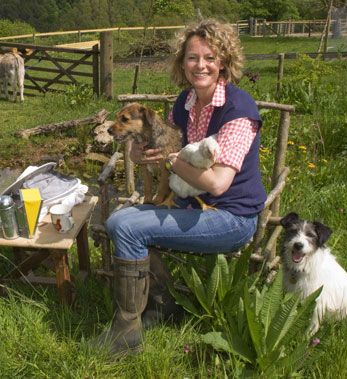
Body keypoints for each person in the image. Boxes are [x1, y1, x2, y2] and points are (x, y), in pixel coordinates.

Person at [94, 19, 268, 354]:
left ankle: (126, 334)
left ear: (224, 62)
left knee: (124, 226)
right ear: (181, 62)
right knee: (124, 221)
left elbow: (217, 183)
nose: (200, 65)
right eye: (192, 57)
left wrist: (173, 160)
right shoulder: (186, 102)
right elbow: (160, 146)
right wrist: (140, 151)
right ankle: (162, 308)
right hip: (190, 204)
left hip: (231, 217)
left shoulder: (239, 110)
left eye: (209, 57)